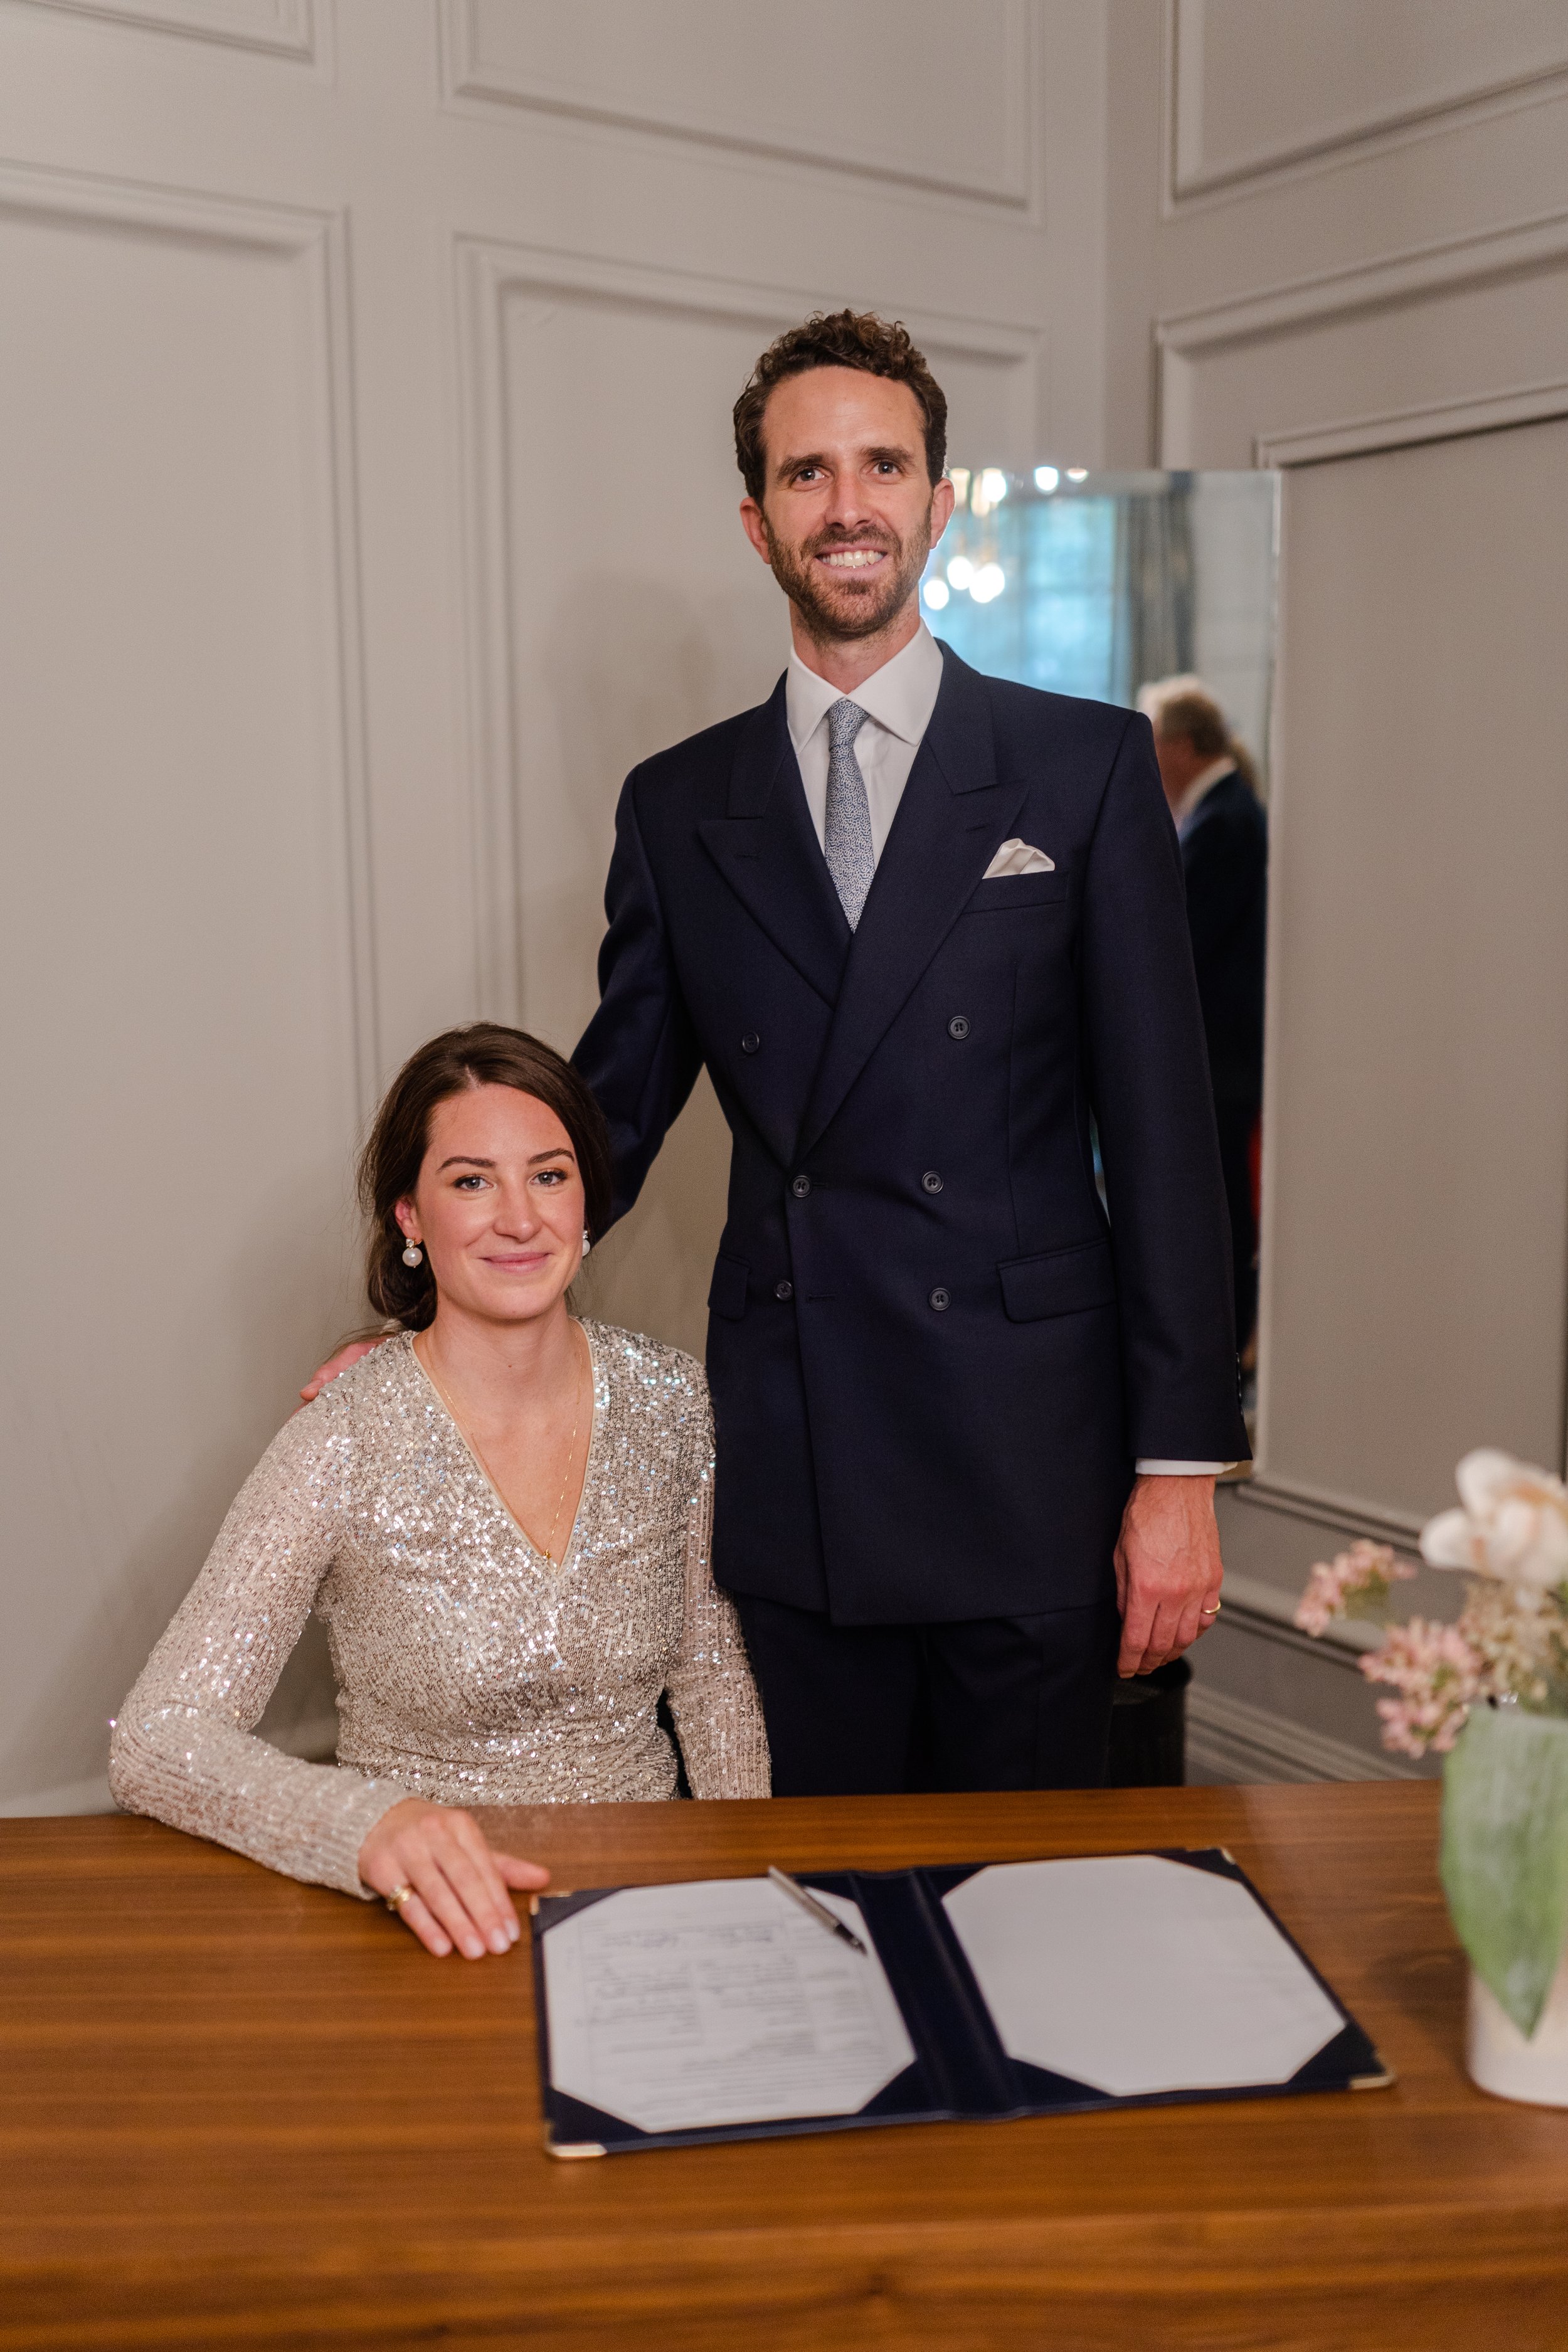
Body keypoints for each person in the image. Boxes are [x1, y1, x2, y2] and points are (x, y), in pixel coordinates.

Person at [568, 310, 1248, 1796]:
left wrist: (1178, 1469)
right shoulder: (679, 806)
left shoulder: (1080, 769)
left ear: (939, 501)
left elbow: (1164, 1138)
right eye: (808, 475)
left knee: (1024, 1921)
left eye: (883, 465)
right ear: (759, 522)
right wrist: (421, 1297)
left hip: (1027, 1453)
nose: (849, 503)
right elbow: (605, 1113)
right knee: (822, 1910)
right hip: (803, 1447)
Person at [111, 1025, 768, 1961]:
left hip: (653, 1915)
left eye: (548, 1175)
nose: (519, 1218)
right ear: (411, 1218)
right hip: (432, 1928)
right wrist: (368, 1826)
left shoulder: (672, 1399)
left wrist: (751, 1877)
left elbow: (707, 1671)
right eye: (471, 1181)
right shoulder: (342, 1437)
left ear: (587, 1201)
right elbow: (154, 1738)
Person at [1139, 676, 1268, 1360]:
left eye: (1152, 743)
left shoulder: (1224, 822)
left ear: (1183, 745)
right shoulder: (1223, 813)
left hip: (1220, 1057)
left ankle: (1222, 1348)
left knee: (1217, 1209)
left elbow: (1180, 939)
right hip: (1223, 1055)